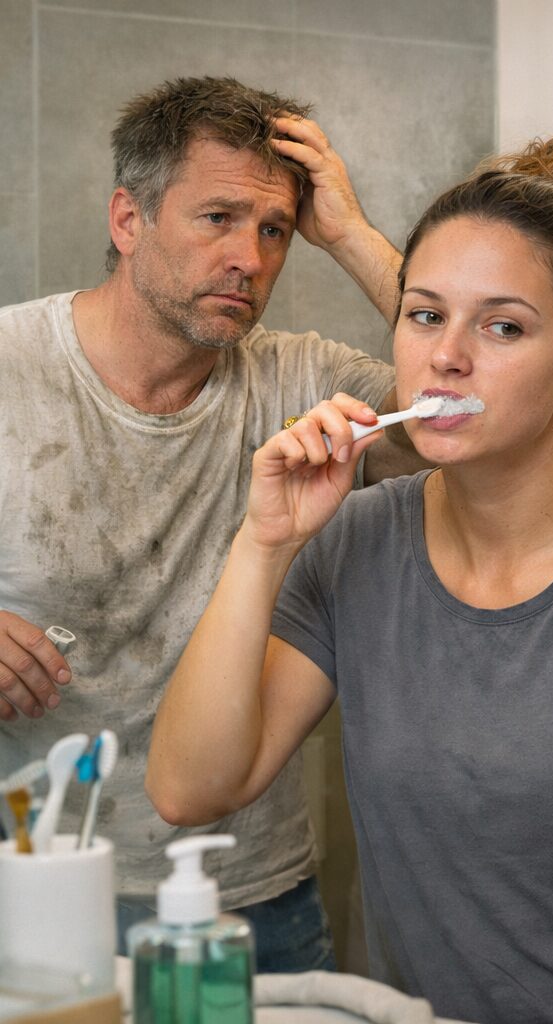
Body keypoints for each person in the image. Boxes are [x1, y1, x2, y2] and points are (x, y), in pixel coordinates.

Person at [146, 140, 553, 1023]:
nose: (447, 357)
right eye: (425, 316)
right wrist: (263, 542)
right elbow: (190, 789)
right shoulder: (356, 544)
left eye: (502, 327)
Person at [0, 76, 414, 971]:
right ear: (127, 219)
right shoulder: (8, 364)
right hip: (31, 885)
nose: (251, 258)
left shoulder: (303, 380)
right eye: (217, 218)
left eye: (274, 230)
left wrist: (348, 233)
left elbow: (472, 407)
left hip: (250, 898)